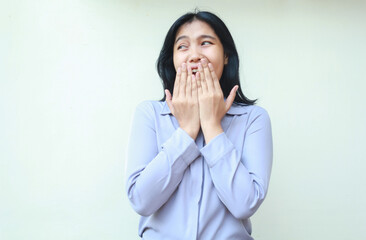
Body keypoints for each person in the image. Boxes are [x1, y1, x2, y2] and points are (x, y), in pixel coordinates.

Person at [126, 10, 273, 240]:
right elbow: (141, 200)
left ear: (226, 55)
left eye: (206, 43)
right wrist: (186, 132)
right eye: (182, 47)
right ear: (172, 60)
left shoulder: (254, 119)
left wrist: (212, 126)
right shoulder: (150, 114)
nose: (194, 55)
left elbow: (245, 204)